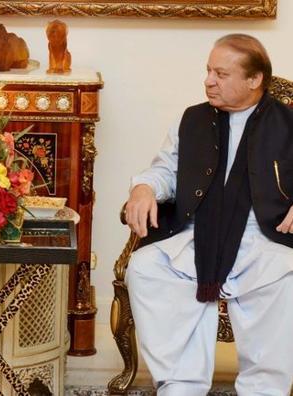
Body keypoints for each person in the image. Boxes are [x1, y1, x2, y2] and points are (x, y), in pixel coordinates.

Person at [124, 34, 293, 395]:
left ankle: (265, 389)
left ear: (254, 80)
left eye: (221, 73)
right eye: (208, 70)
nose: (208, 81)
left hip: (264, 235)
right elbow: (166, 169)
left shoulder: (287, 122)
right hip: (198, 231)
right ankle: (180, 384)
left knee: (285, 278)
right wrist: (143, 189)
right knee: (146, 268)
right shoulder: (192, 119)